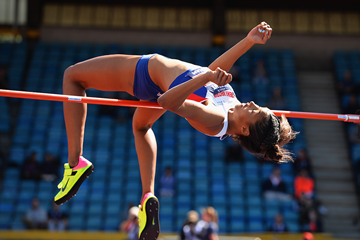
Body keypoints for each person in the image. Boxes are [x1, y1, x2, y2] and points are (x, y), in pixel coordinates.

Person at [54, 22, 297, 240]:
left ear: (244, 129)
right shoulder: (233, 112)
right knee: (141, 126)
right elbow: (211, 71)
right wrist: (248, 42)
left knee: (73, 77)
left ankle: (75, 163)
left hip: (146, 75)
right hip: (159, 84)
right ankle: (147, 196)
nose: (252, 104)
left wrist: (206, 78)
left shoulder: (216, 119)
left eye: (255, 111)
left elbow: (168, 102)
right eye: (258, 106)